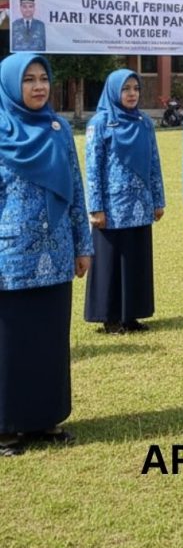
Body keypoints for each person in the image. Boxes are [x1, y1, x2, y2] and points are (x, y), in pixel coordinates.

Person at [0, 54, 92, 456]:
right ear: (10, 85)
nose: (38, 87)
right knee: (10, 344)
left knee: (50, 341)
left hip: (55, 253)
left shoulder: (58, 129)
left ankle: (45, 419)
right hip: (9, 257)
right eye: (28, 80)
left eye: (43, 78)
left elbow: (75, 188)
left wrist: (83, 244)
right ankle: (6, 427)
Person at [84, 69, 165, 334]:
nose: (132, 94)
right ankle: (110, 318)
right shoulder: (100, 123)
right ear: (113, 91)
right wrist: (96, 207)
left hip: (140, 205)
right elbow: (93, 168)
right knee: (109, 262)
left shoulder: (144, 122)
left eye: (136, 88)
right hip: (111, 208)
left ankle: (131, 316)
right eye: (125, 89)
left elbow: (154, 163)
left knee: (135, 260)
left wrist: (158, 200)